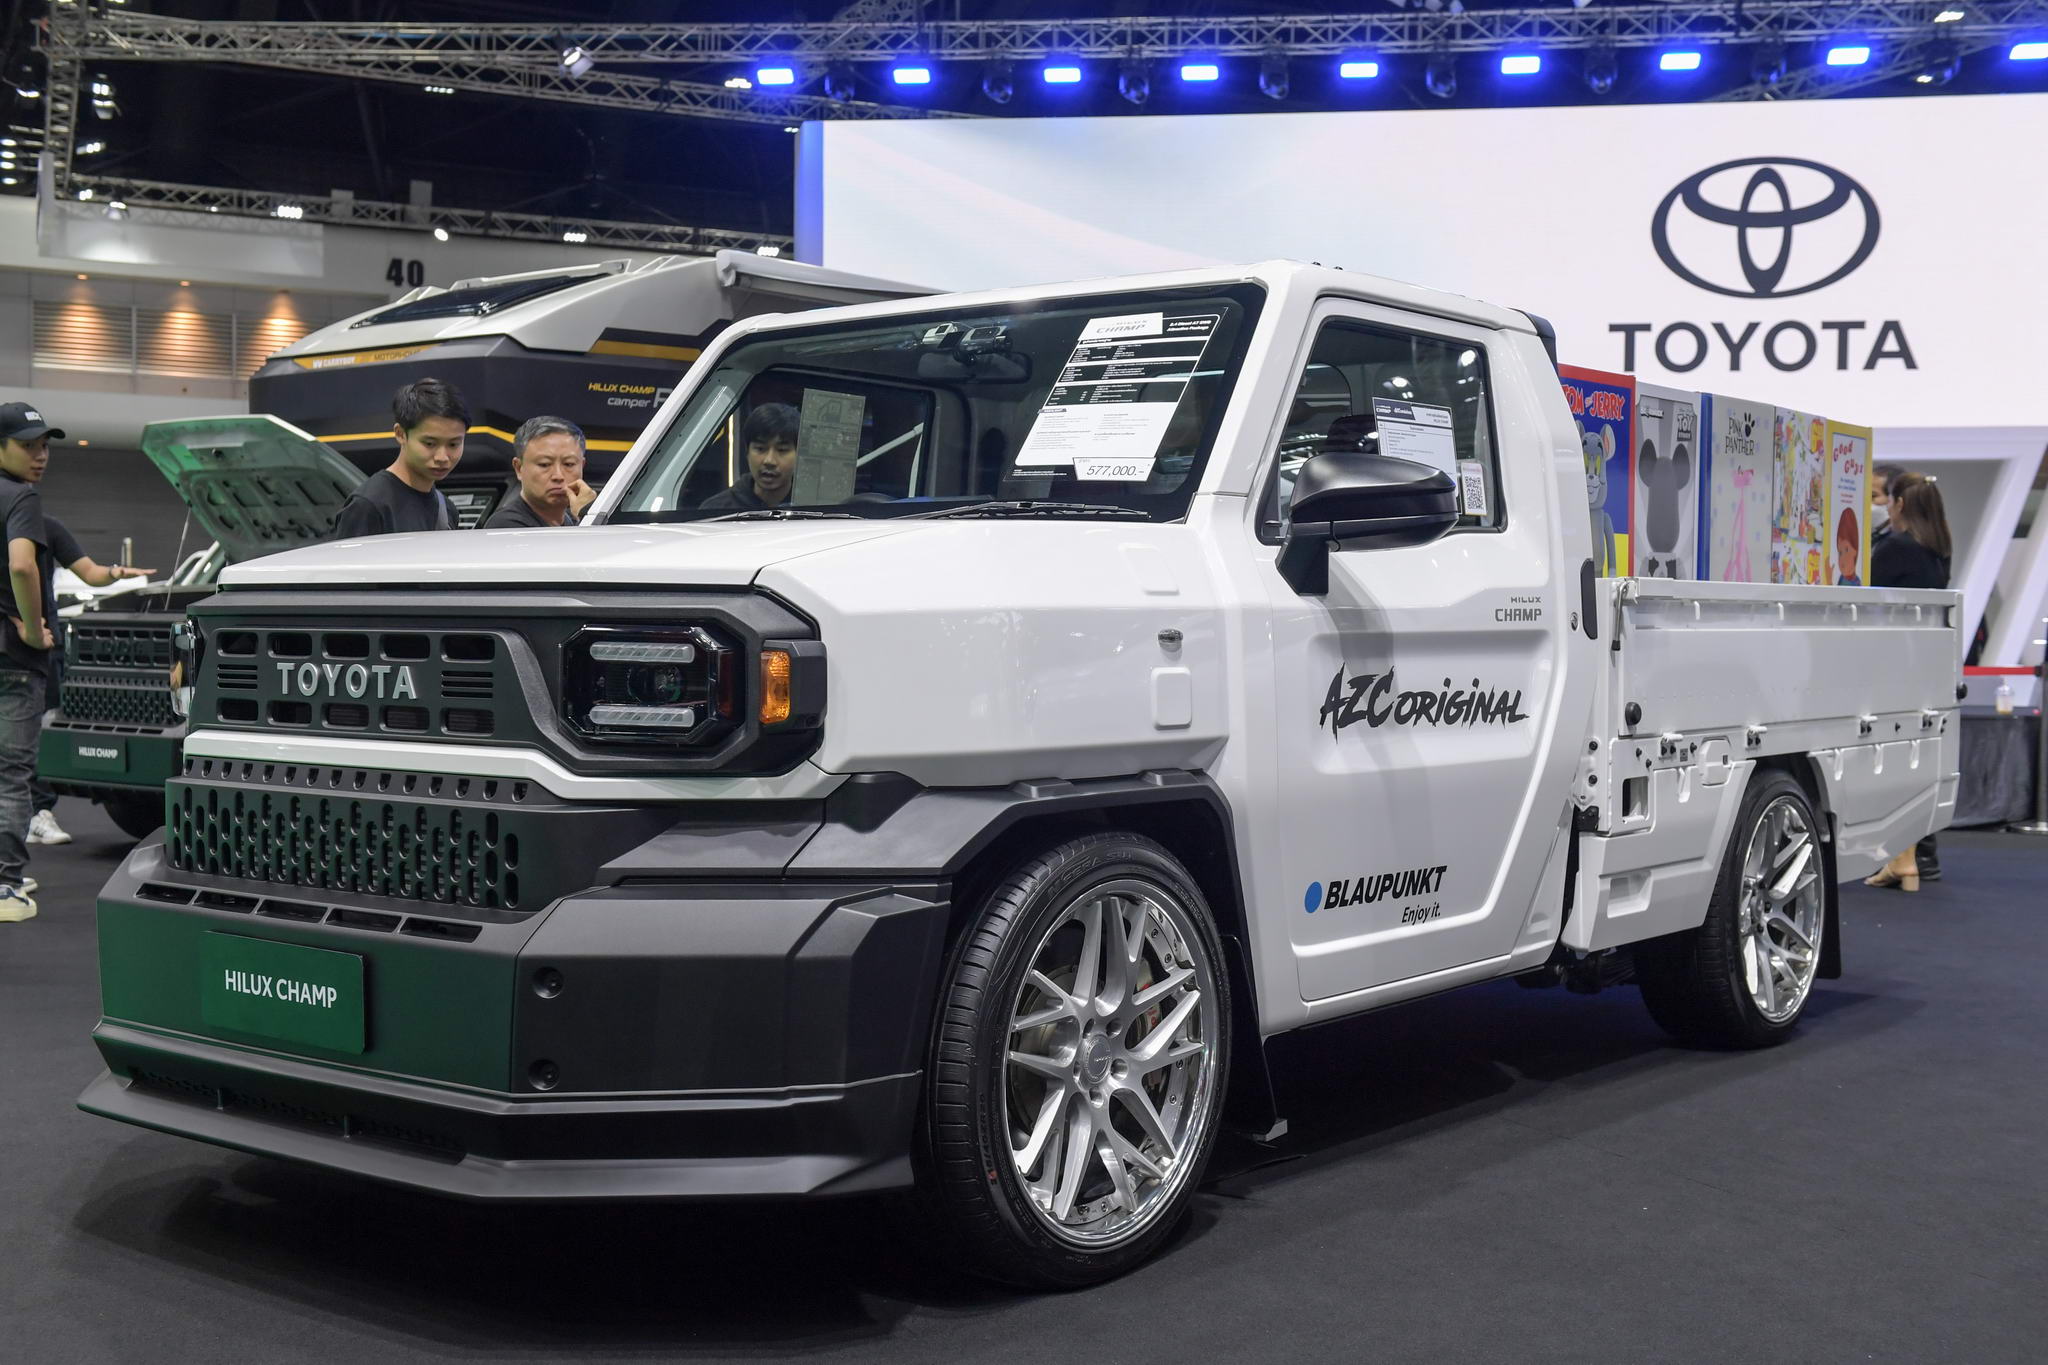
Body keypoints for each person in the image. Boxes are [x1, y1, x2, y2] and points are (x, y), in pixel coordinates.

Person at [25, 514, 155, 848]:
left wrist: (115, 574)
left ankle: (36, 813)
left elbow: (89, 571)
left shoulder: (46, 527)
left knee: (37, 731)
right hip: (21, 640)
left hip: (42, 645)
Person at [1865, 473, 1952, 892]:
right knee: (1913, 758)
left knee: (1890, 759)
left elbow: (1863, 594)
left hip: (1890, 664)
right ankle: (1911, 859)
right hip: (1924, 665)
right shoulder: (1938, 549)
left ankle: (1903, 859)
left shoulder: (1896, 548)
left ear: (1899, 504)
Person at [331, 378, 468, 538]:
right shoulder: (369, 507)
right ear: (401, 434)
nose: (442, 457)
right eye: (430, 443)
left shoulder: (447, 510)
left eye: (453, 444)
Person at [482, 416, 596, 528]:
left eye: (569, 464)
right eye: (544, 464)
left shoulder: (572, 520)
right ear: (519, 468)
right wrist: (587, 516)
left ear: (582, 466)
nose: (558, 476)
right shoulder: (506, 525)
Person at [700, 403, 799, 511]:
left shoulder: (810, 506)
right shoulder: (715, 509)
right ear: (747, 451)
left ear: (799, 455)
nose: (769, 461)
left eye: (782, 450)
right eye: (760, 448)